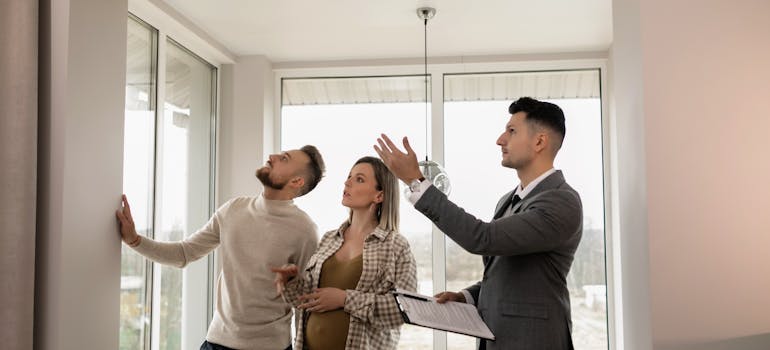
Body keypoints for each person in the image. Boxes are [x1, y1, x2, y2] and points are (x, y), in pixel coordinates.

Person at [374, 97, 583, 350]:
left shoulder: (561, 201)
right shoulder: (507, 201)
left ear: (539, 141)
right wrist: (467, 297)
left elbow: (483, 238)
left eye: (512, 131)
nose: (500, 139)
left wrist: (416, 181)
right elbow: (511, 274)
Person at [116, 146, 326, 350]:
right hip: (216, 342)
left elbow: (304, 304)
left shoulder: (306, 231)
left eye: (284, 159)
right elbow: (184, 253)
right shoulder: (233, 210)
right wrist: (134, 240)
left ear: (296, 181)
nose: (272, 156)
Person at [272, 156, 417, 350]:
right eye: (349, 176)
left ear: (379, 195)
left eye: (359, 179)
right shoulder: (329, 239)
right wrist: (291, 282)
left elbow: (405, 310)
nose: (347, 182)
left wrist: (344, 299)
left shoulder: (396, 246)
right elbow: (306, 300)